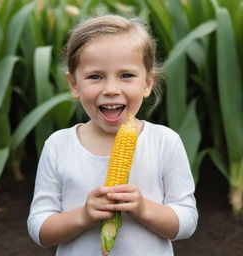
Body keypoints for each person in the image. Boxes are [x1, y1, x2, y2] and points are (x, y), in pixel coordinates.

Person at [27, 14, 198, 256]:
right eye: (95, 76)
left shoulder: (164, 142)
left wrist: (143, 208)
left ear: (148, 82)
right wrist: (84, 215)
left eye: (126, 75)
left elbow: (187, 221)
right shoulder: (58, 145)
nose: (110, 89)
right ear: (74, 84)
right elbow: (39, 228)